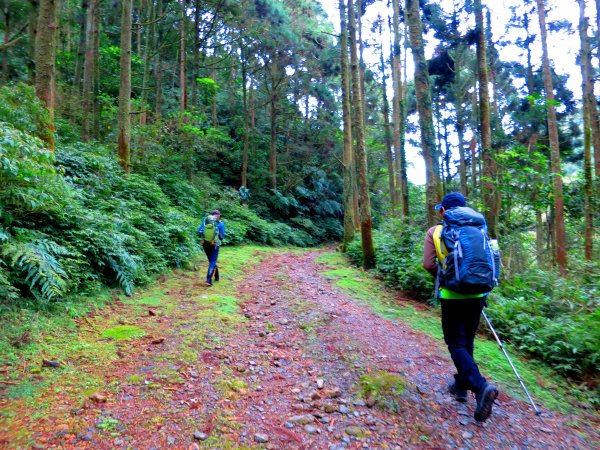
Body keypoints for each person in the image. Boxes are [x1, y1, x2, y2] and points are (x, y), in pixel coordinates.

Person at [423, 192, 499, 422]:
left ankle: (480, 386)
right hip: (478, 293)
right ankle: (461, 386)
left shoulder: (436, 231)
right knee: (467, 342)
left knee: (455, 343)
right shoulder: (479, 228)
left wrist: (445, 277)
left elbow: (428, 264)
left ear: (443, 211)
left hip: (453, 295)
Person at [197, 209, 225, 286]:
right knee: (212, 262)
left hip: (205, 244)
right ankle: (208, 280)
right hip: (215, 245)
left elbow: (198, 232)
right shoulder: (220, 223)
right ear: (218, 215)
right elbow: (222, 237)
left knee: (211, 261)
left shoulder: (205, 222)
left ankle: (216, 277)